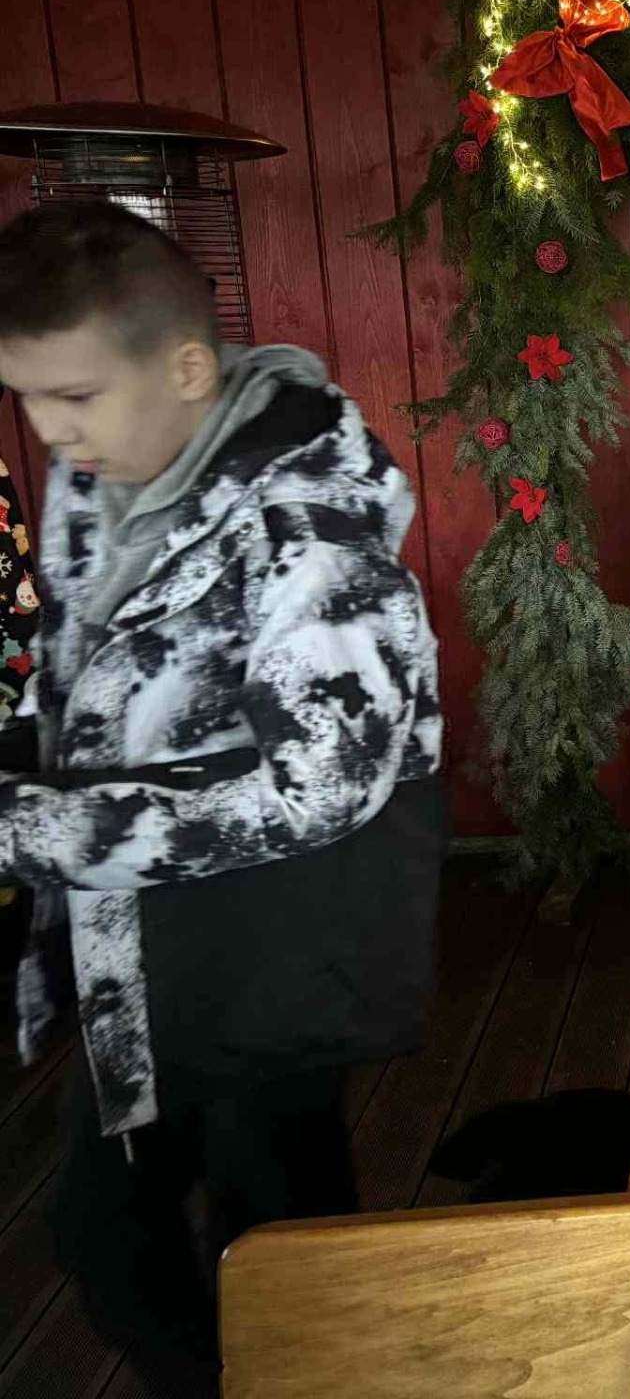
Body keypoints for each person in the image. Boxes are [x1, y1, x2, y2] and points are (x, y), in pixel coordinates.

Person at [0, 202, 444, 1389]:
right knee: (106, 1229)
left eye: (75, 395)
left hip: (268, 951)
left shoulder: (316, 533)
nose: (49, 430)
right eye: (28, 398)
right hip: (136, 947)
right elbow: (87, 673)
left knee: (279, 1243)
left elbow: (324, 787)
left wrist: (44, 830)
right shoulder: (99, 476)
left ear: (188, 370)